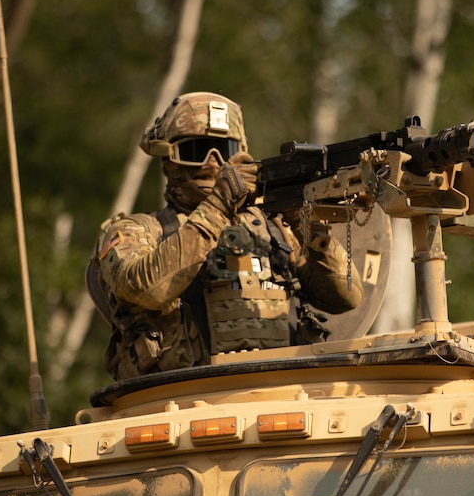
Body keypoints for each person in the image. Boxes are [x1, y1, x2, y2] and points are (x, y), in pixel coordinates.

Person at [88, 92, 363, 380]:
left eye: (224, 150)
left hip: (283, 390)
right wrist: (219, 205)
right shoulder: (137, 230)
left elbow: (345, 298)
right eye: (197, 151)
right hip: (176, 399)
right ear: (169, 158)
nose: (212, 163)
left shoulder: (273, 227)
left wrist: (304, 224)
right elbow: (149, 289)